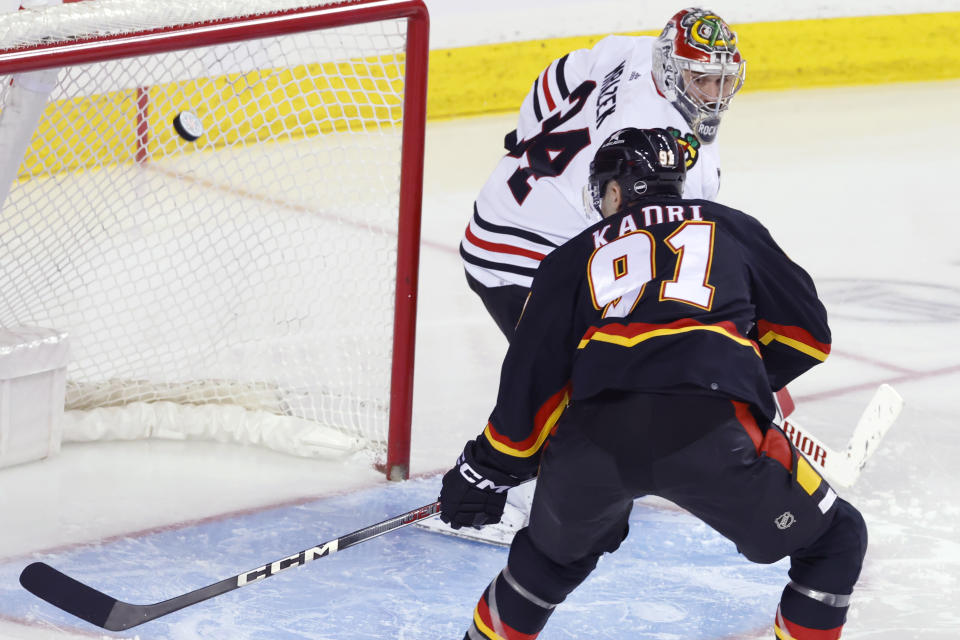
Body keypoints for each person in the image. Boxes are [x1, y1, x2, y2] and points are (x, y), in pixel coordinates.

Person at [439, 128, 867, 640]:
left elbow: (532, 388)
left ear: (615, 191)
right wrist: (740, 378)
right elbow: (807, 335)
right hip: (708, 429)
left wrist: (483, 473)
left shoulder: (571, 258)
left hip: (593, 441)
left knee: (547, 565)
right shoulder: (730, 226)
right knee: (836, 539)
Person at [439, 6, 747, 544]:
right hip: (523, 252)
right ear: (673, 71)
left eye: (724, 80)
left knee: (607, 365)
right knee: (581, 373)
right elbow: (650, 250)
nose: (714, 93)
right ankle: (512, 495)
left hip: (509, 211)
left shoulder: (626, 50)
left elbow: (551, 81)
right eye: (702, 79)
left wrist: (532, 155)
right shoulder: (662, 146)